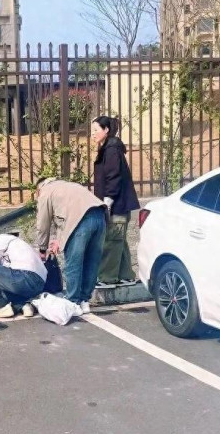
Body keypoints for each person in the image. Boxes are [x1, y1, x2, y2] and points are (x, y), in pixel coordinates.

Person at [35, 177, 107, 315]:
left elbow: (43, 224)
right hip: (100, 216)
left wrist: (42, 249)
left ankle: (72, 302)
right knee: (92, 262)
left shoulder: (45, 191)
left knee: (74, 263)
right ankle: (85, 301)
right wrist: (59, 240)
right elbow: (68, 214)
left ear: (38, 189)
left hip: (80, 222)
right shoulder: (69, 186)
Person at [91, 116, 141, 289]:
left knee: (111, 241)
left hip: (117, 205)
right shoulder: (109, 147)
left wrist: (108, 201)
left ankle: (107, 278)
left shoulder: (111, 149)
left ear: (106, 130)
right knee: (119, 240)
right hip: (118, 204)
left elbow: (114, 176)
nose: (92, 134)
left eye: (96, 130)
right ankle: (126, 276)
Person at [0, 230, 48, 319]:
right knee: (7, 282)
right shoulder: (22, 244)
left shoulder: (2, 237)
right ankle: (24, 305)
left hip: (25, 277)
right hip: (40, 283)